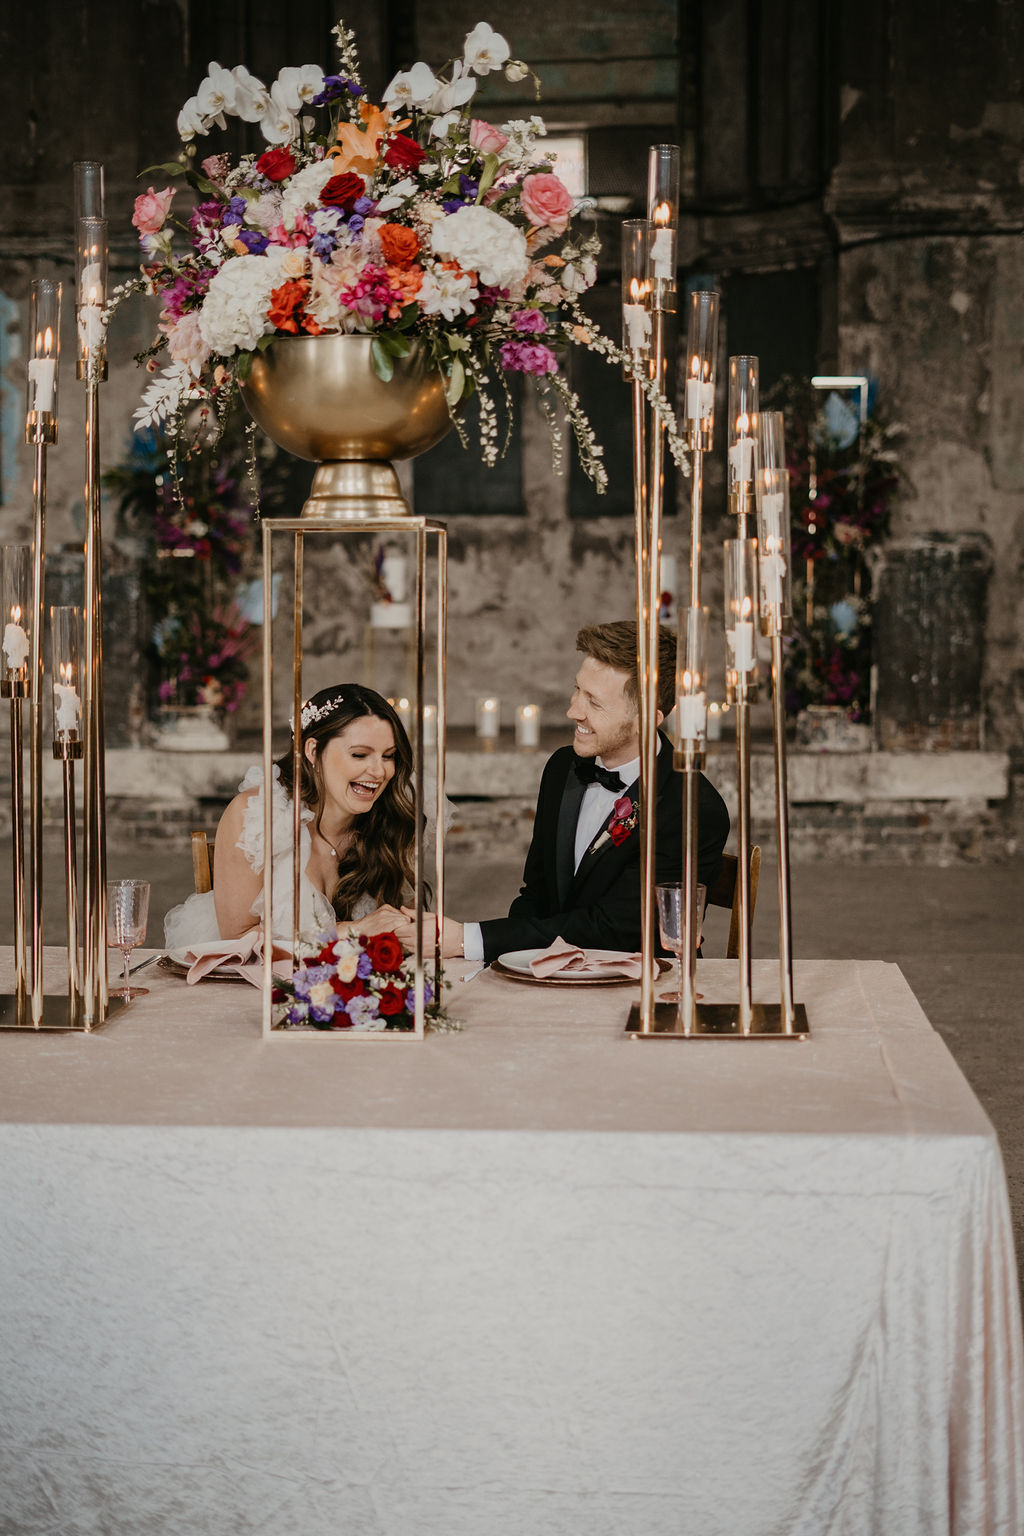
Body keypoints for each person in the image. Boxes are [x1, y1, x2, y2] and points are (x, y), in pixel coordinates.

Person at [391, 620, 730, 962]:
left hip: (643, 991)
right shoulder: (562, 768)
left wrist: (469, 940)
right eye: (577, 690)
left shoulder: (692, 807)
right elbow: (536, 894)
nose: (573, 711)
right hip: (553, 975)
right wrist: (508, 964)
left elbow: (618, 928)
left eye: (594, 703)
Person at [164, 683, 416, 947]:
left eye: (389, 756)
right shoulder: (257, 817)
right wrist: (352, 930)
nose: (379, 771)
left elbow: (395, 925)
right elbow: (237, 939)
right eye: (360, 754)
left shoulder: (389, 820)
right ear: (313, 751)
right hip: (253, 983)